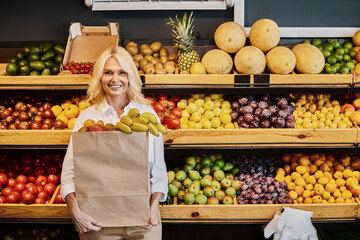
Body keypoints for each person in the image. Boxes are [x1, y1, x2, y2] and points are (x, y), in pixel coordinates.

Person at [60, 46, 168, 240]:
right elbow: (70, 171)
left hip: (142, 220)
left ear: (130, 77)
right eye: (108, 73)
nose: (115, 79)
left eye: (122, 73)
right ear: (100, 78)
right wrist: (74, 211)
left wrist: (154, 207)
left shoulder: (147, 116)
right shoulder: (88, 117)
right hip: (97, 220)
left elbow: (158, 169)